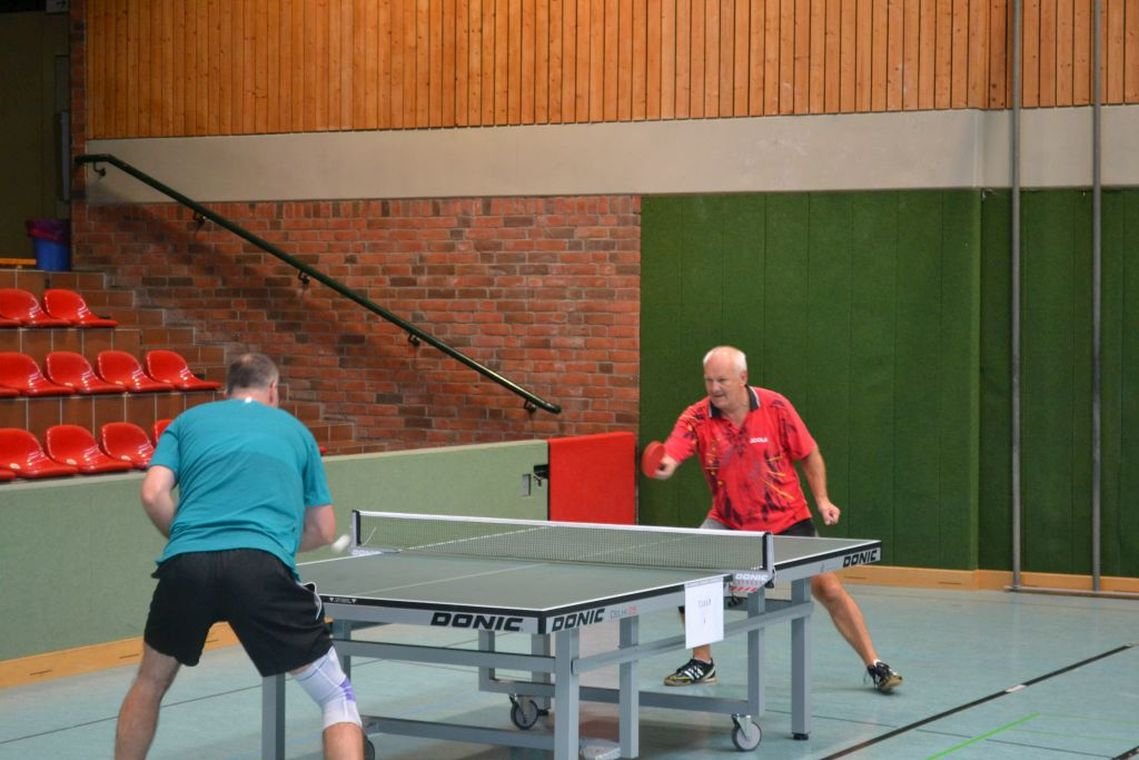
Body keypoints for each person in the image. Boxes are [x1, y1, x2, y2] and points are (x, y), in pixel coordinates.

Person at [114, 353, 365, 759]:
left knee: (150, 683)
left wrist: (186, 537)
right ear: (273, 390)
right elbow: (322, 529)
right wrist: (273, 543)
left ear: (226, 389)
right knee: (336, 696)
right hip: (259, 567)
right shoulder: (296, 432)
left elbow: (152, 493)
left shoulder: (187, 422)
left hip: (186, 566)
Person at [647, 346, 903, 694]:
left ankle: (875, 664)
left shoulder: (775, 406)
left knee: (828, 588)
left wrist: (822, 499)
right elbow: (674, 451)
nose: (714, 388)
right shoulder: (696, 417)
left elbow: (809, 454)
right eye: (708, 380)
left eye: (722, 380)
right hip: (729, 521)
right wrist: (666, 466)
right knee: (692, 578)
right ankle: (703, 662)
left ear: (743, 378)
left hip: (787, 519)